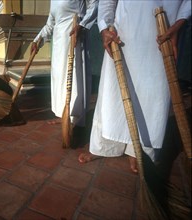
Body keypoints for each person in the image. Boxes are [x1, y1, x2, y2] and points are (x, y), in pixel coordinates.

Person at [78, 0, 191, 173]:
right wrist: (104, 27)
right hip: (123, 33)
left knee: (151, 94)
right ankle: (105, 146)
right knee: (113, 93)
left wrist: (180, 23)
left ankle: (139, 149)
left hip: (164, 33)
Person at [31, 0, 98, 129]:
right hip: (59, 44)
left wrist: (82, 25)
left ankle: (75, 117)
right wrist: (37, 40)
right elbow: (50, 24)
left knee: (74, 78)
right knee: (60, 79)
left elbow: (94, 4)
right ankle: (63, 114)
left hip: (75, 39)